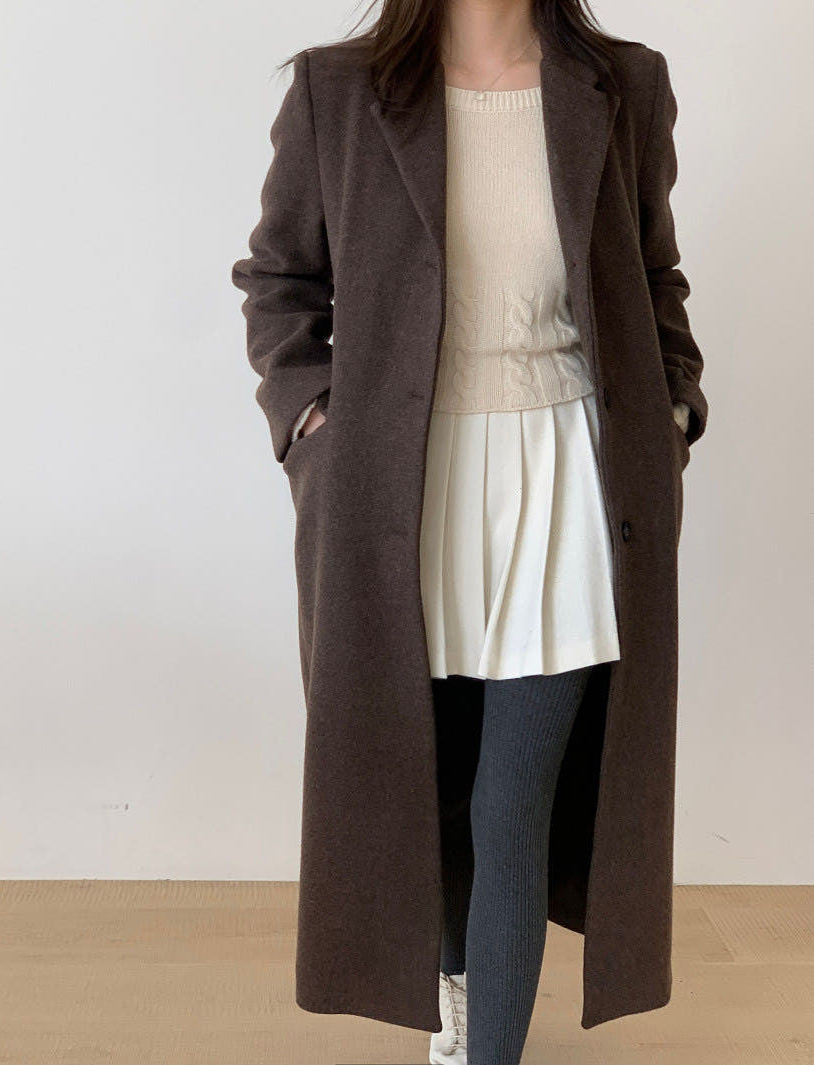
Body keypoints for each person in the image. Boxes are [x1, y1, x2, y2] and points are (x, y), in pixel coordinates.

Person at [233, 1, 707, 1062]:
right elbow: (279, 283)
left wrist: (672, 411)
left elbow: (653, 274)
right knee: (431, 786)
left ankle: (488, 1048)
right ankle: (455, 982)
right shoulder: (336, 92)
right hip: (403, 490)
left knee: (512, 805)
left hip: (569, 477)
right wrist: (311, 424)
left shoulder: (623, 85)